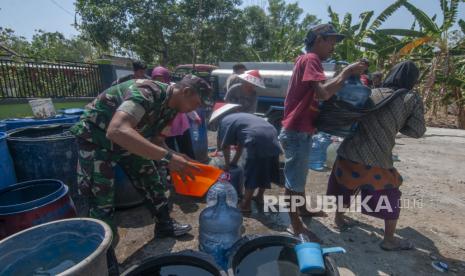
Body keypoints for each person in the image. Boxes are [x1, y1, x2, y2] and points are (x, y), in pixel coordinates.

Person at [70, 74, 213, 238]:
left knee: (151, 179)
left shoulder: (173, 109)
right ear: (186, 91)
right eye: (196, 104)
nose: (194, 109)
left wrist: (178, 156)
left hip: (129, 139)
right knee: (101, 196)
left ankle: (164, 224)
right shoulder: (146, 92)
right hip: (96, 138)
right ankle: (104, 249)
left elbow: (157, 141)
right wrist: (167, 158)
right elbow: (117, 130)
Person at [278, 23, 368, 241]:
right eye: (331, 41)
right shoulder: (311, 59)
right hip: (297, 129)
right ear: (319, 40)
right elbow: (323, 94)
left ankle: (303, 210)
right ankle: (296, 225)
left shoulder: (306, 60)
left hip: (301, 128)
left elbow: (320, 91)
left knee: (299, 177)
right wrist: (346, 73)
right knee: (294, 181)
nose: (333, 47)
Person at [327, 60, 426, 251]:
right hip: (378, 158)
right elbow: (417, 131)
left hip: (348, 152)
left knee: (345, 185)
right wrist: (397, 122)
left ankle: (339, 219)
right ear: (413, 79)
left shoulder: (371, 92)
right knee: (390, 193)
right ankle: (389, 240)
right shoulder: (410, 98)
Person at [211, 105, 281, 213]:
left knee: (252, 172)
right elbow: (240, 144)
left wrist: (227, 165)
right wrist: (233, 161)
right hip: (272, 135)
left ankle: (245, 205)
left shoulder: (224, 121)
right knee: (266, 169)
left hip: (256, 138)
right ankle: (259, 197)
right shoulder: (242, 117)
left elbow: (225, 146)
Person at [151, 66, 196, 159]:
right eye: (156, 79)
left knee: (187, 147)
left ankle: (192, 165)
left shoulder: (174, 88)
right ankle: (172, 171)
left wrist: (194, 116)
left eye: (161, 79)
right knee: (169, 149)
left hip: (180, 123)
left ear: (167, 78)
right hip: (165, 126)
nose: (159, 82)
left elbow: (186, 103)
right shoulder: (152, 92)